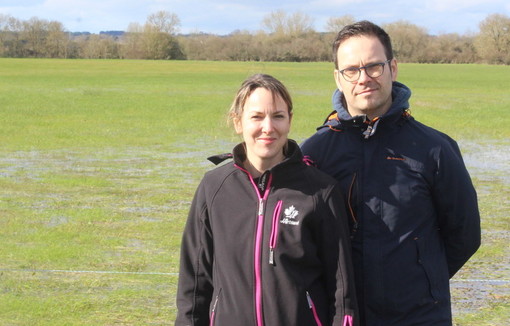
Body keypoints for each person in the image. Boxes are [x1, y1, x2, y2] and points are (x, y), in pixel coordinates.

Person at [300, 21, 481, 326]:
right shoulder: (316, 152)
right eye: (352, 70)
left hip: (420, 316)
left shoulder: (435, 149)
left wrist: (422, 278)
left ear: (393, 68)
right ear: (338, 78)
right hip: (344, 316)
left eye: (374, 66)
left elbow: (464, 235)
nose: (364, 78)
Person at [175, 74, 358, 326]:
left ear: (290, 120)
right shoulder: (214, 188)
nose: (268, 127)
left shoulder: (320, 191)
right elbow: (194, 282)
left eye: (278, 116)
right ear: (238, 121)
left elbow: (342, 288)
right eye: (257, 116)